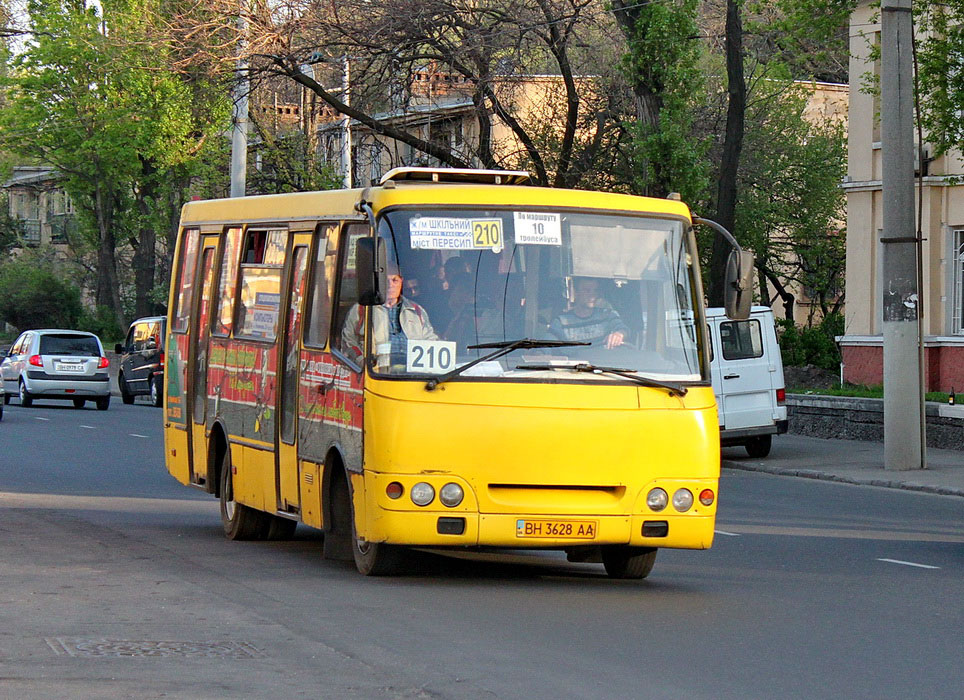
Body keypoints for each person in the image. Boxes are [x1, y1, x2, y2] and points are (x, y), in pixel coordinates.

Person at [342, 263, 438, 368]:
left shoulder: (416, 311)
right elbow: (348, 342)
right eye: (386, 280)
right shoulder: (362, 309)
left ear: (401, 281)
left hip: (413, 374)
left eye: (395, 280)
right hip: (378, 373)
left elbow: (430, 340)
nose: (390, 284)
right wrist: (362, 361)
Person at [549, 276, 629, 349]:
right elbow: (545, 348)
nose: (592, 295)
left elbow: (623, 329)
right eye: (587, 290)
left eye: (595, 290)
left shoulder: (607, 315)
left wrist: (619, 334)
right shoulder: (561, 322)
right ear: (575, 292)